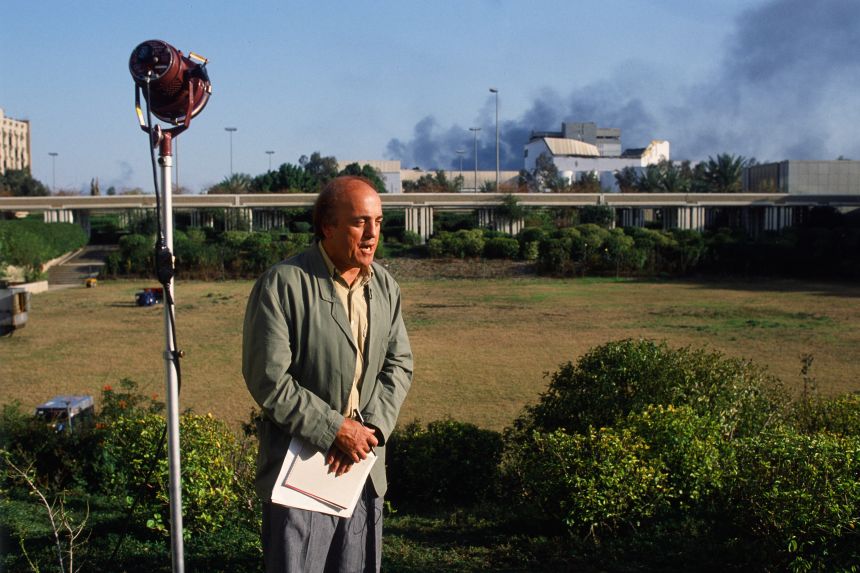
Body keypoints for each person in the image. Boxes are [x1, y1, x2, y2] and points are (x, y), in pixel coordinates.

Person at [242, 175, 413, 573]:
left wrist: (368, 430)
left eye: (378, 221)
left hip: (363, 471)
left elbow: (399, 363)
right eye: (359, 222)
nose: (372, 234)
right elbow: (268, 378)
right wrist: (334, 429)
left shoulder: (385, 286)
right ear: (327, 226)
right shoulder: (282, 284)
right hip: (299, 475)